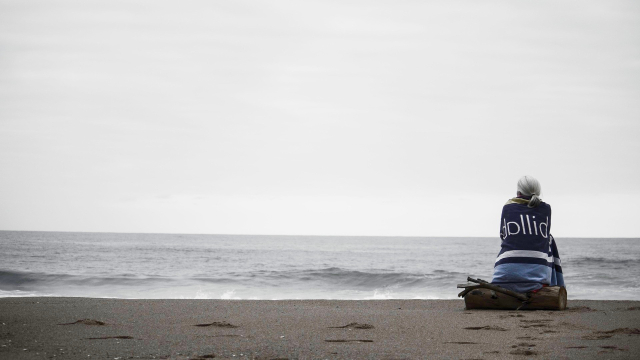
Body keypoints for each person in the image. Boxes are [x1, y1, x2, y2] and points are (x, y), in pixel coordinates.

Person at [491, 176, 565, 293]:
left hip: (502, 278)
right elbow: (544, 237)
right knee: (549, 240)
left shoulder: (507, 207)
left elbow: (503, 235)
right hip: (536, 282)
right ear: (538, 191)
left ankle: (509, 273)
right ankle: (556, 285)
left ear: (518, 191)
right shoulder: (546, 209)